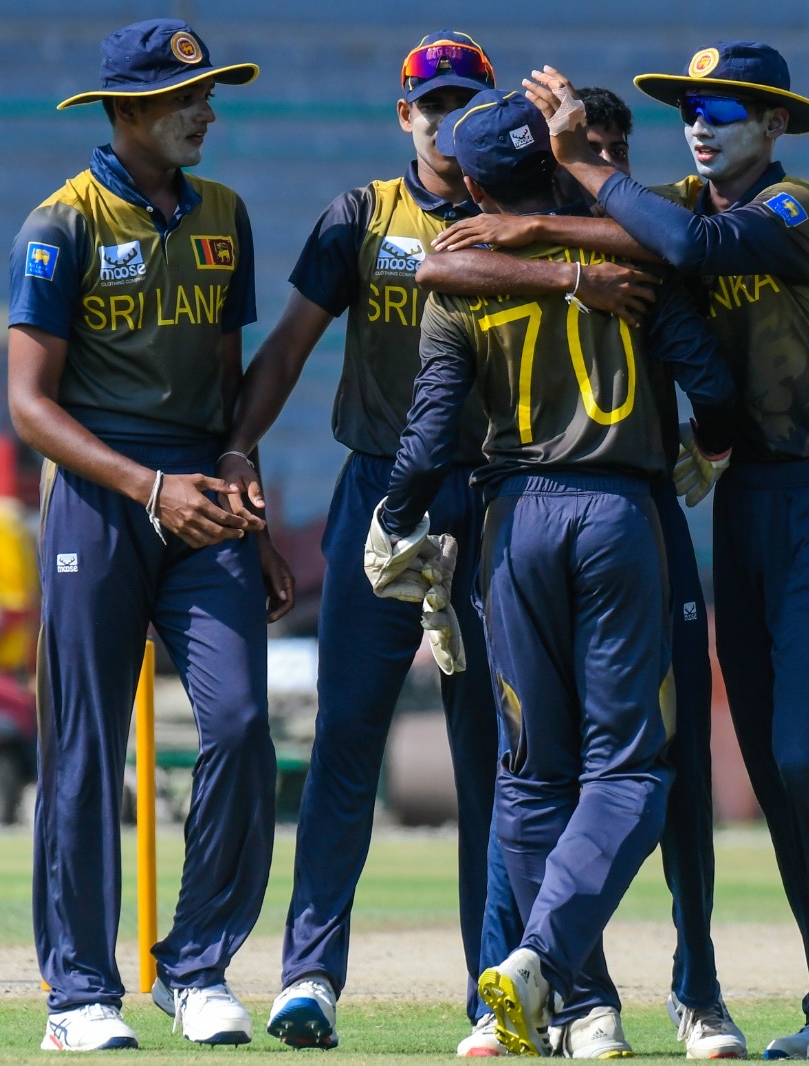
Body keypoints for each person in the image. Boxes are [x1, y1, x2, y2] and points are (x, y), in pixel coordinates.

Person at [508, 43, 809, 1061]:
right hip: (743, 501)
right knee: (772, 769)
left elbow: (685, 244)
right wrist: (540, 202)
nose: (700, 122)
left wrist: (570, 178)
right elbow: (623, 233)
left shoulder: (795, 207)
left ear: (773, 125)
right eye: (690, 107)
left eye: (725, 109)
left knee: (808, 756)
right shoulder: (676, 199)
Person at [367, 88, 737, 1058]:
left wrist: (394, 519)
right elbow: (712, 381)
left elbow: (432, 432)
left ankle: (576, 1005)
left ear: (477, 186)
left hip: (513, 524)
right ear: (553, 163)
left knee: (532, 776)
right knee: (633, 767)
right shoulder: (631, 256)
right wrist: (711, 443)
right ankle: (548, 962)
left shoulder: (461, 279)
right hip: (618, 516)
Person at [211, 30, 507, 1053]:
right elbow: (288, 346)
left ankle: (493, 987)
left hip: (490, 498)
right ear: (403, 115)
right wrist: (238, 448)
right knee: (346, 739)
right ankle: (308, 977)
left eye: (468, 103)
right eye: (434, 104)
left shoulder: (521, 214)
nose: (449, 121)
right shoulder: (361, 216)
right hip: (379, 490)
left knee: (490, 753)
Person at [8, 18, 291, 1051]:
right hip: (100, 492)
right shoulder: (61, 222)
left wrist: (242, 484)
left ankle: (197, 967)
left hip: (202, 494)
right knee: (85, 750)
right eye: (186, 98)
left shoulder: (225, 214)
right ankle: (78, 995)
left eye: (209, 94)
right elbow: (29, 405)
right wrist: (147, 486)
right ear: (127, 109)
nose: (206, 112)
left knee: (241, 724)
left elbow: (226, 379)